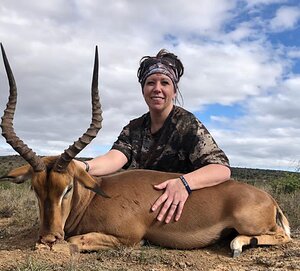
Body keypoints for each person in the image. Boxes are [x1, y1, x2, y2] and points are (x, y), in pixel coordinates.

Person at [75, 49, 231, 223]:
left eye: (164, 83)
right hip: (142, 208)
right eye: (150, 83)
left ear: (174, 91)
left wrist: (184, 183)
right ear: (143, 90)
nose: (157, 89)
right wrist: (83, 166)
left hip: (179, 211)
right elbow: (114, 159)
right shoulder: (134, 127)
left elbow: (221, 169)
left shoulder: (187, 124)